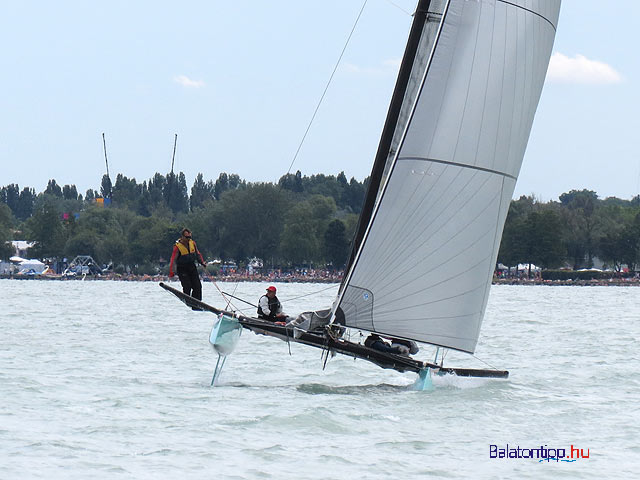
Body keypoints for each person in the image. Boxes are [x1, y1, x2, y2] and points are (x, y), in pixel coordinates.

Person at [169, 228, 207, 305]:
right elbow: (173, 260)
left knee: (197, 286)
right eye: (187, 237)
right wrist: (171, 272)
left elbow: (197, 254)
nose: (188, 239)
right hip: (182, 269)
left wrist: (202, 262)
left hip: (192, 267)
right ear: (182, 237)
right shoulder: (177, 247)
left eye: (190, 237)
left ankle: (197, 303)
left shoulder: (192, 243)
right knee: (187, 286)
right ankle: (187, 302)